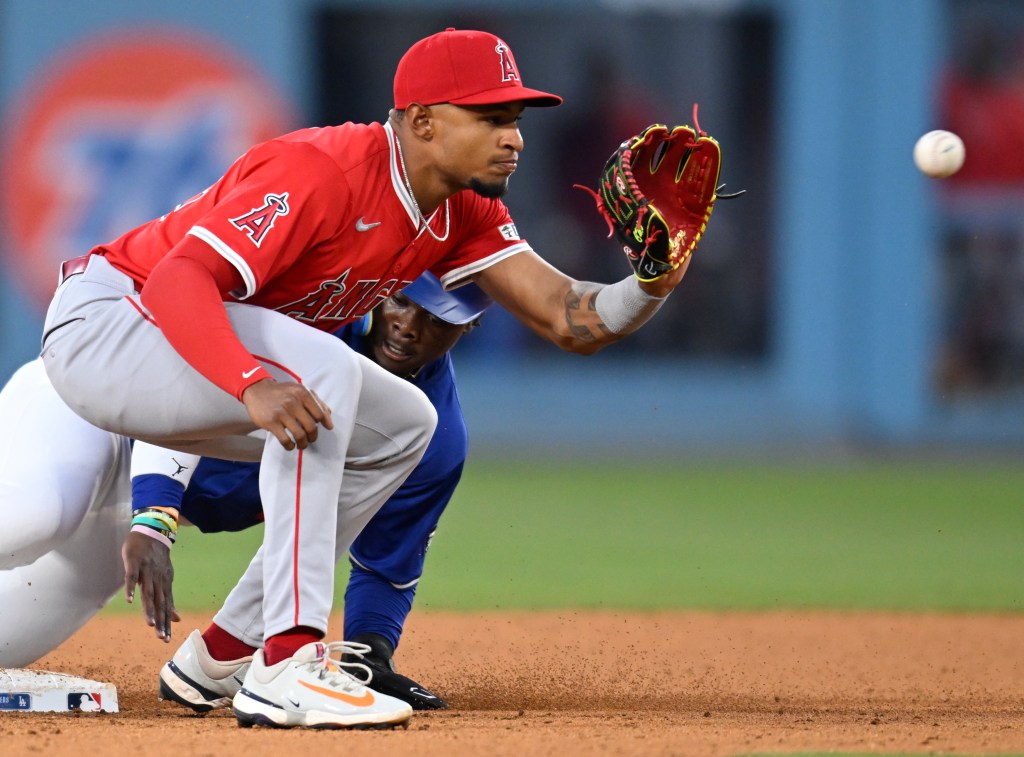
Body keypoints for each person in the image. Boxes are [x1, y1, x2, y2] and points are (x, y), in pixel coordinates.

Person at [37, 28, 697, 729]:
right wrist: (251, 384)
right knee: (324, 375)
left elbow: (567, 316)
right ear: (423, 121)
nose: (513, 139)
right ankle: (289, 663)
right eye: (490, 118)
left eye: (515, 119)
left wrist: (652, 281)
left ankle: (225, 652)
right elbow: (178, 280)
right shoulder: (324, 171)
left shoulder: (463, 209)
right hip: (109, 323)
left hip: (179, 340)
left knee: (405, 425)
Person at [0, 273, 488, 714]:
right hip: (88, 413)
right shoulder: (314, 320)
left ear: (469, 327)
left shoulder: (431, 438)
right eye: (401, 301)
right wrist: (156, 516)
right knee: (37, 515)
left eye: (437, 319)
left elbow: (385, 563)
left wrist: (370, 657)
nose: (408, 327)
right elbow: (174, 375)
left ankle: (225, 654)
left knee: (7, 646)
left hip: (128, 507)